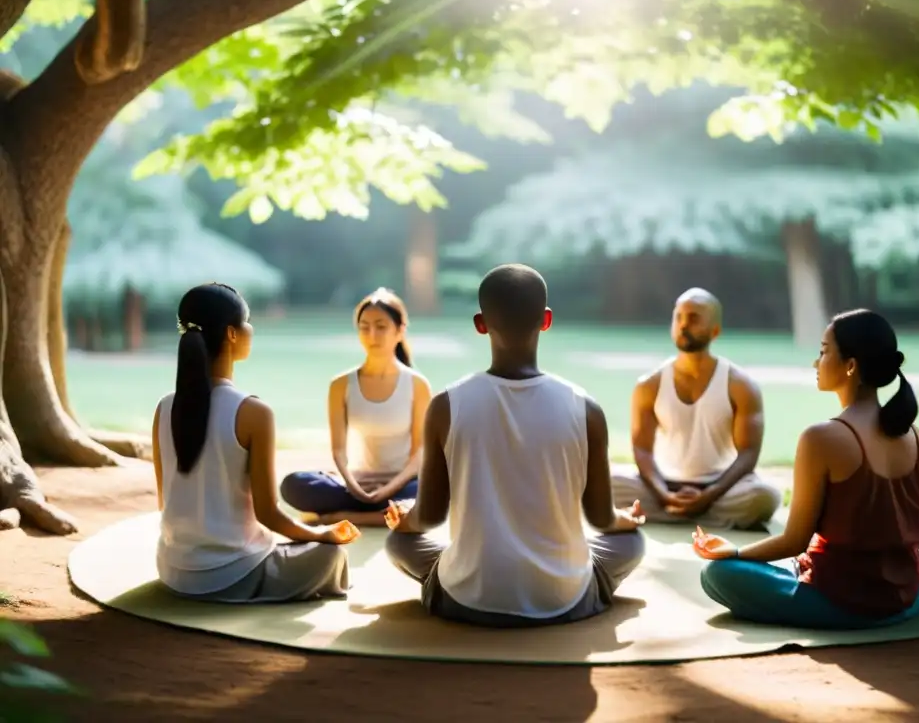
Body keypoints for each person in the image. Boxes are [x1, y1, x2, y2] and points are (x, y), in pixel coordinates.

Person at [384, 264, 647, 627]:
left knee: (398, 545)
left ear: (480, 323)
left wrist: (405, 522)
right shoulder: (585, 408)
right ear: (547, 320)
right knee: (632, 543)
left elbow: (429, 517)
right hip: (562, 597)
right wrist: (626, 520)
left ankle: (462, 584)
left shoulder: (446, 405)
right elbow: (601, 519)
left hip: (467, 598)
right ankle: (580, 590)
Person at [693, 309, 919, 630]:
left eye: (822, 352)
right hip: (909, 591)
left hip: (848, 603)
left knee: (717, 574)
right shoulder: (915, 435)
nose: (814, 362)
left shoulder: (821, 438)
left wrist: (733, 552)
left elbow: (794, 541)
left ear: (850, 366)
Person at [153, 283, 359, 604]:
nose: (252, 329)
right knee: (331, 555)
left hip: (173, 569)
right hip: (231, 576)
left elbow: (164, 501)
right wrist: (322, 535)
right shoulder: (253, 412)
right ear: (233, 334)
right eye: (248, 321)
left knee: (298, 547)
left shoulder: (164, 407)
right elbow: (269, 514)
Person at [612, 288, 781, 529]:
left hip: (721, 487)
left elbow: (748, 454)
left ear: (715, 331)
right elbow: (642, 450)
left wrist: (709, 495)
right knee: (604, 484)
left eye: (693, 318)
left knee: (764, 496)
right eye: (678, 316)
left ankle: (676, 514)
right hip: (662, 485)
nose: (683, 325)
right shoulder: (649, 385)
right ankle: (693, 513)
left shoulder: (741, 385)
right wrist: (664, 494)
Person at [279, 288, 432, 527]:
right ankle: (386, 516)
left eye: (381, 326)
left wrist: (385, 491)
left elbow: (418, 456)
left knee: (438, 488)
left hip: (403, 485)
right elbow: (339, 451)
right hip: (354, 485)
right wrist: (354, 486)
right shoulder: (341, 385)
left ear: (400, 331)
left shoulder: (417, 385)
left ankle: (342, 517)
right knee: (294, 484)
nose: (372, 334)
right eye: (364, 326)